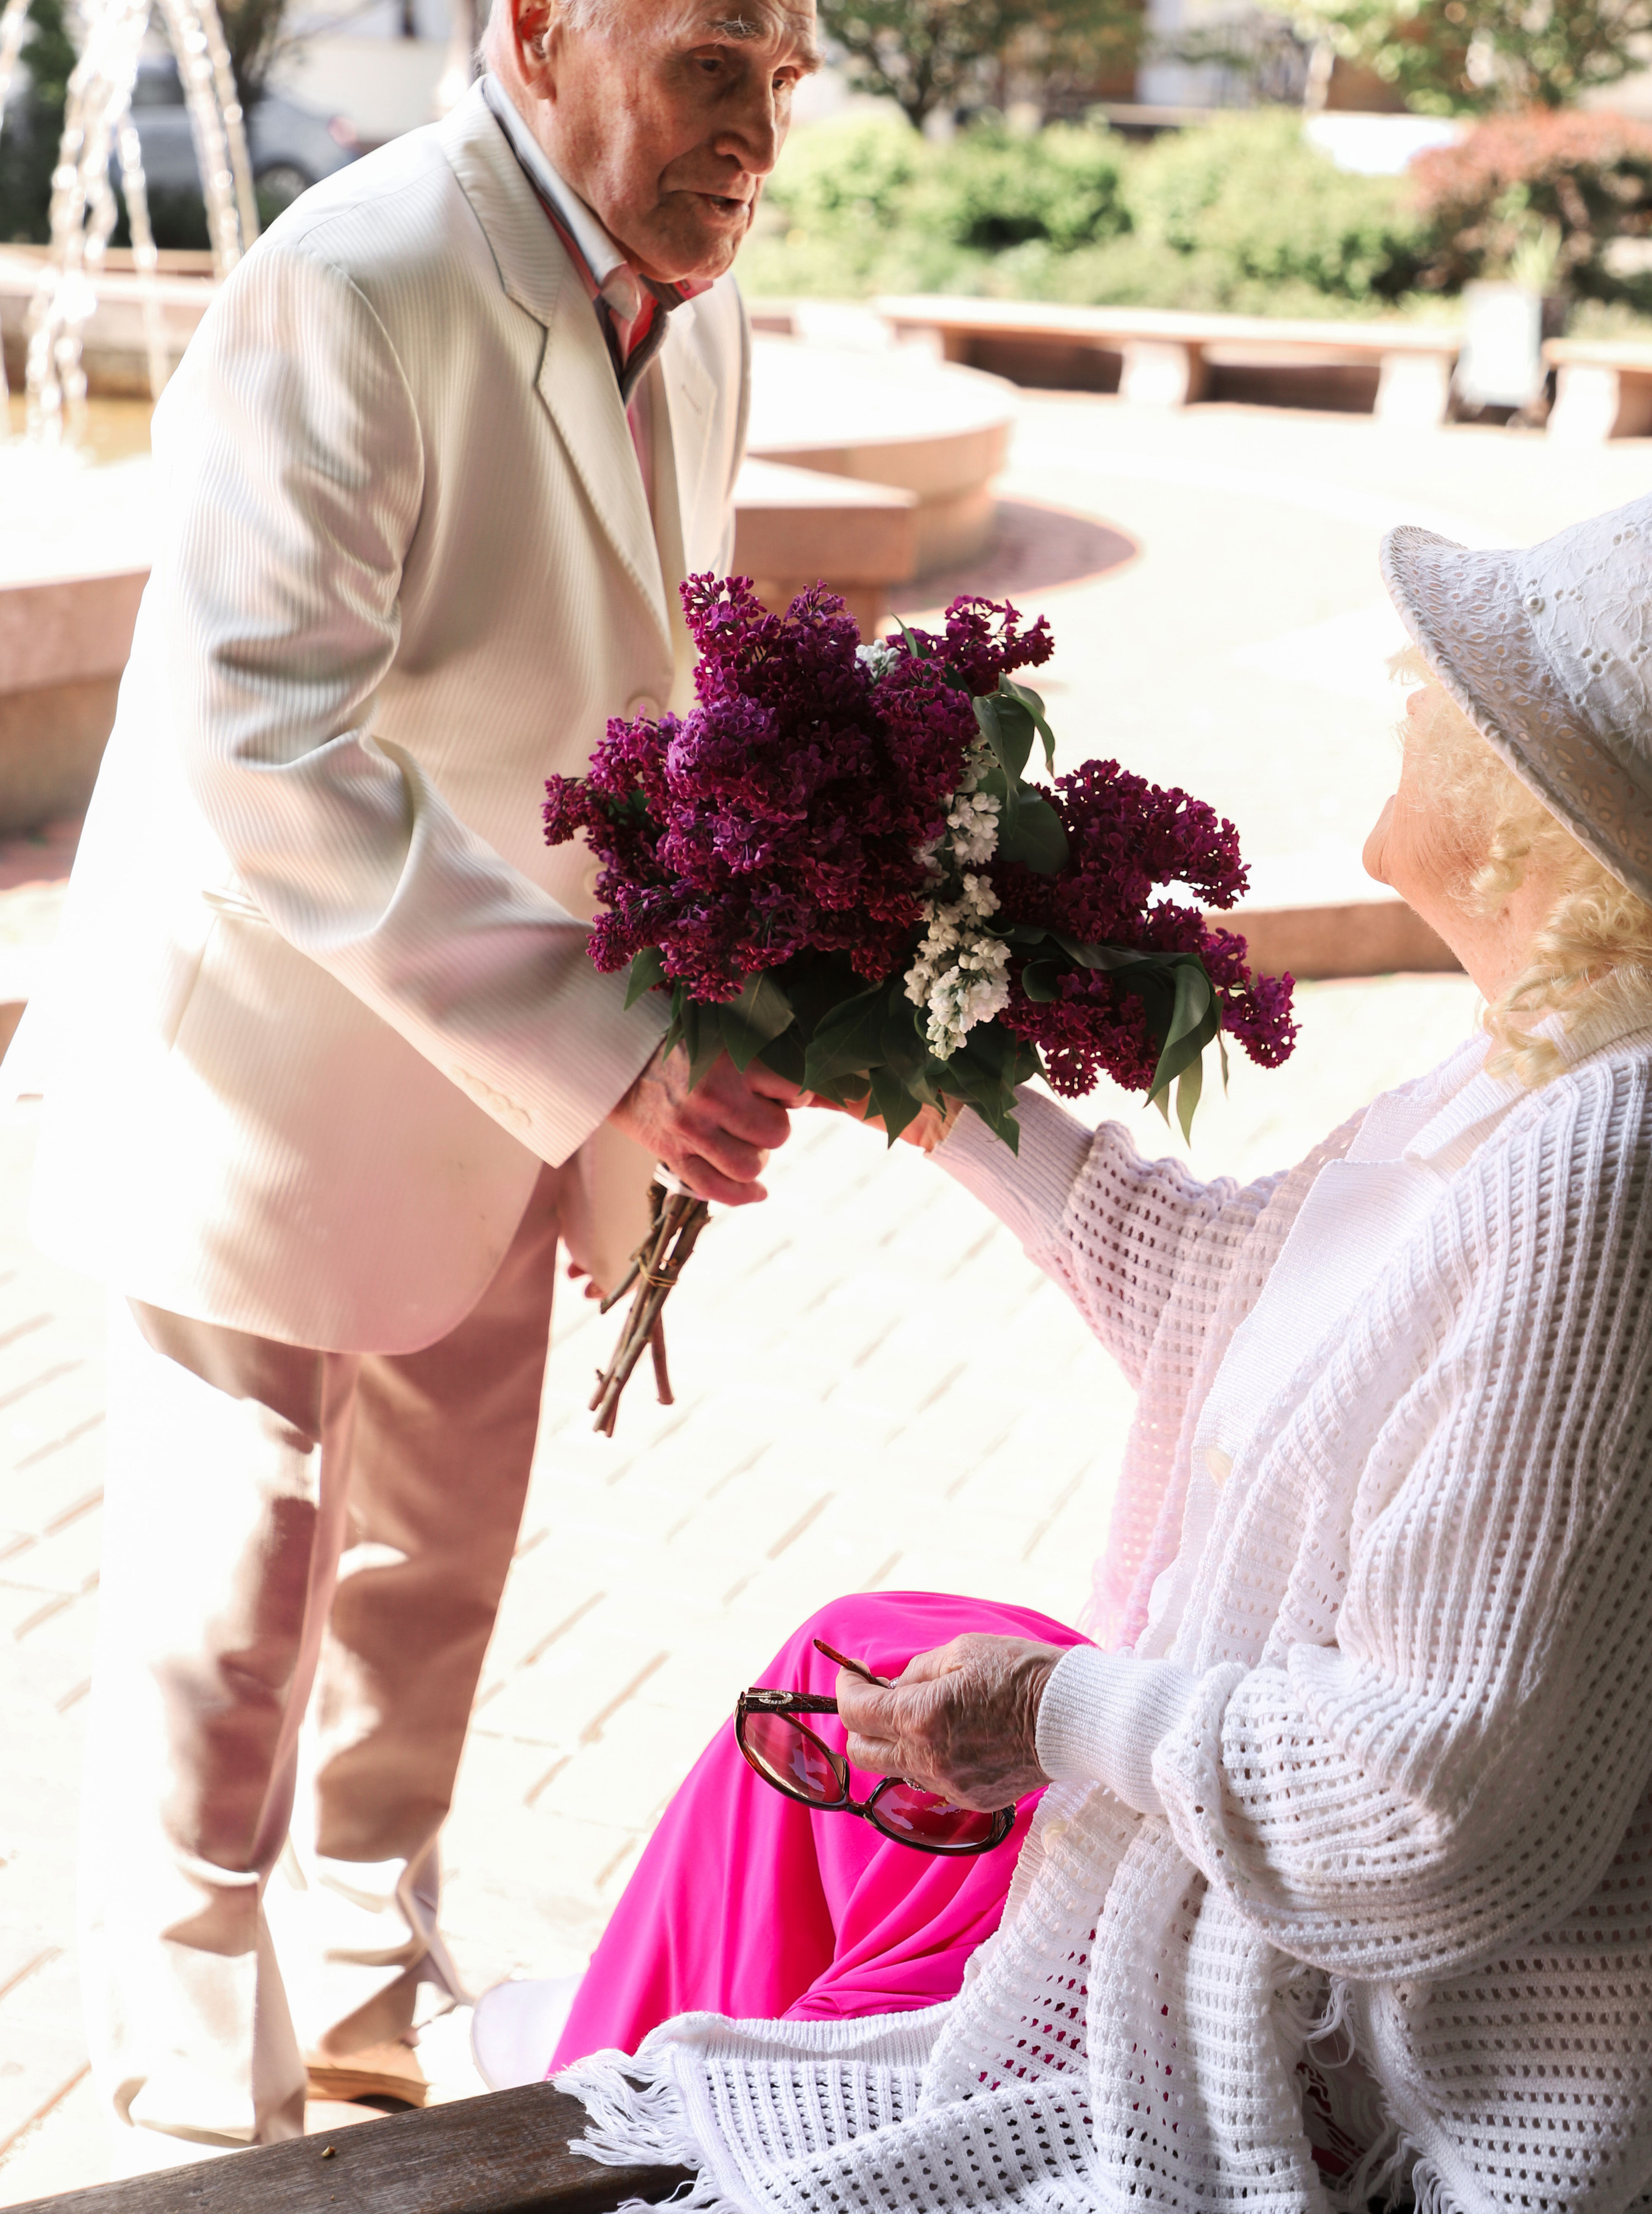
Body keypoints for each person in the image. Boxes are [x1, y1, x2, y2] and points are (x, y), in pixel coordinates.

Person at [520, 501, 1652, 2214]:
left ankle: (564, 2104)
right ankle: (585, 2069)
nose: (1406, 688)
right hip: (1223, 1916)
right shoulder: (1518, 1075)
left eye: (1457, 688)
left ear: (1536, 816)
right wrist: (901, 1057)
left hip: (1352, 2078)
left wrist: (1051, 1713)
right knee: (848, 1660)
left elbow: (1427, 1800)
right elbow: (1231, 1294)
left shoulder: (1606, 1155)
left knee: (763, 2079)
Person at [13, 0, 820, 2168]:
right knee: (234, 1598)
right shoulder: (350, 278)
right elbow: (258, 733)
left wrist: (750, 961)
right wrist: (611, 1050)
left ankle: (371, 2007)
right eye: (709, 65)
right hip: (257, 1083)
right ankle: (193, 2103)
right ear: (539, 26)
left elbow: (665, 689)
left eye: (786, 69)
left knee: (436, 1578)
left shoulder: (718, 301)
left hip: (522, 1092)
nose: (758, 128)